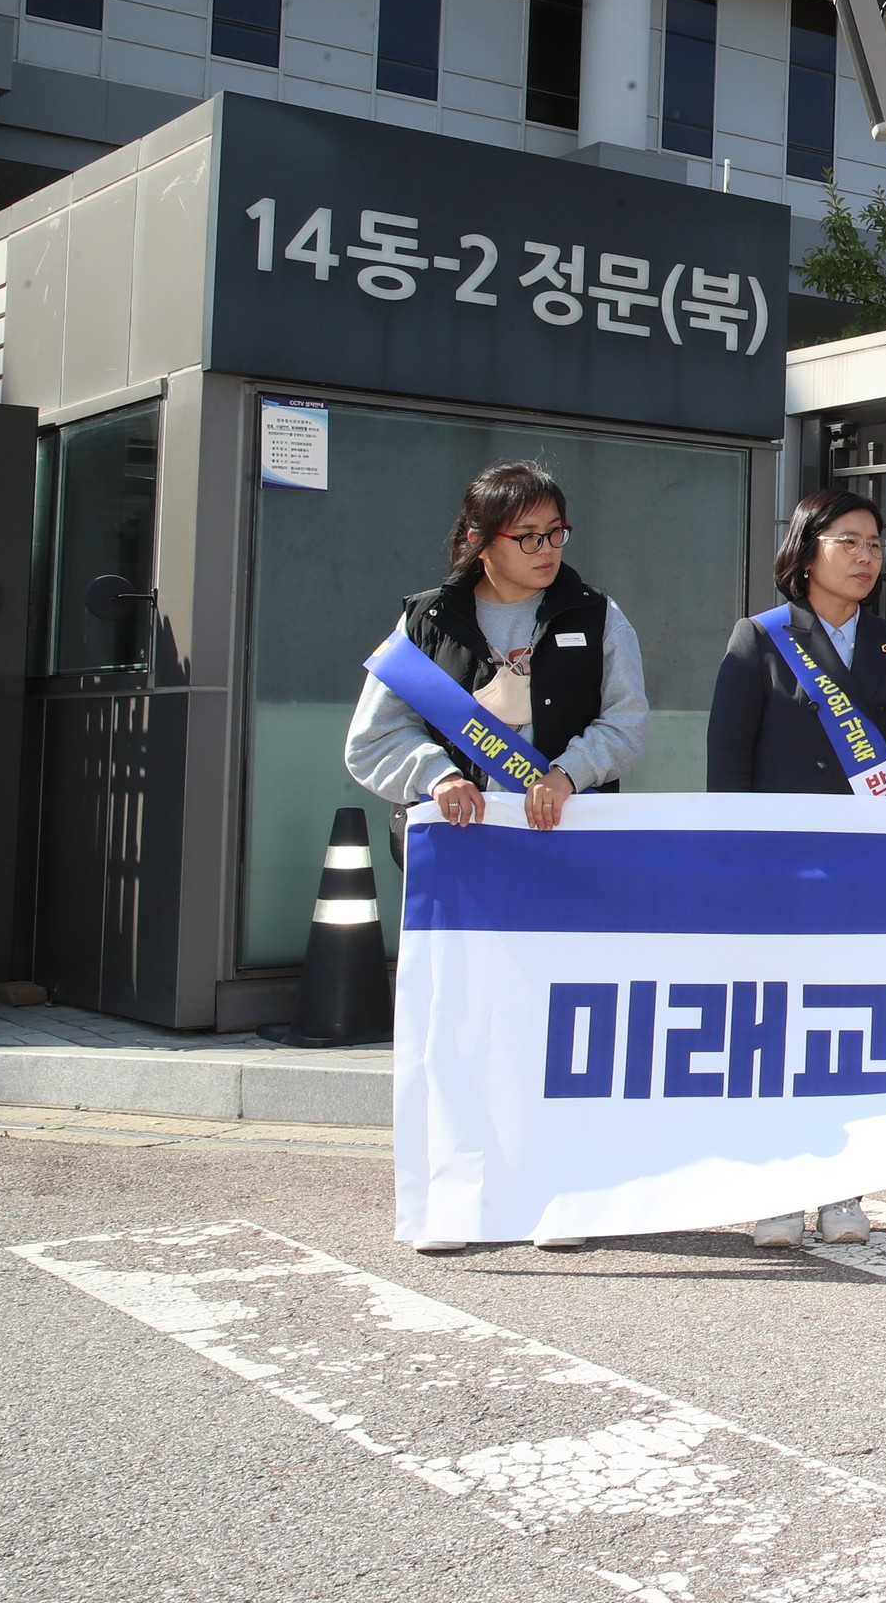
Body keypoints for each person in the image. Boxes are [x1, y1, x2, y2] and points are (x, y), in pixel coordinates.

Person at [346, 458, 647, 1256]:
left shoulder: (597, 614)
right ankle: (457, 1199)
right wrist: (436, 774)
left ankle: (562, 1196)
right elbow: (373, 739)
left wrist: (568, 772)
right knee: (462, 1027)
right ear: (482, 541)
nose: (548, 549)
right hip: (462, 864)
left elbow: (626, 725)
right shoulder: (425, 621)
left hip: (565, 854)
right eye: (529, 535)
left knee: (562, 1030)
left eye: (557, 532)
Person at [709, 487, 886, 1252]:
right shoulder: (761, 638)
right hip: (781, 870)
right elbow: (729, 762)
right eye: (850, 541)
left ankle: (845, 1185)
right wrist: (739, 859)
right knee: (777, 1025)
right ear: (807, 550)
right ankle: (774, 1186)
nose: (868, 557)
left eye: (876, 543)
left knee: (848, 1028)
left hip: (866, 873)